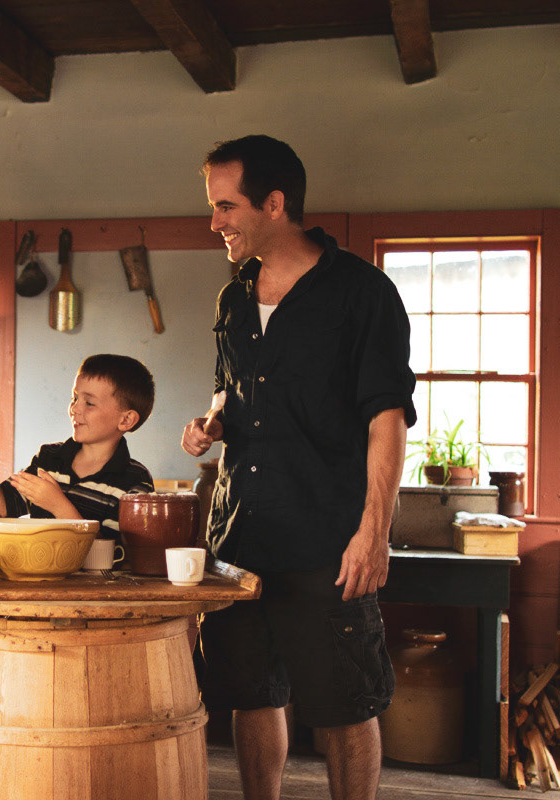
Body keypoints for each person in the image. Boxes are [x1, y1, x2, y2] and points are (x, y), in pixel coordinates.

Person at [182, 135, 416, 800]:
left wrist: (374, 533)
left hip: (327, 539)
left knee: (346, 704)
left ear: (275, 203)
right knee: (251, 694)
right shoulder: (233, 299)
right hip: (239, 536)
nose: (214, 222)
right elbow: (230, 390)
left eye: (226, 206)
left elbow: (387, 417)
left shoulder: (362, 294)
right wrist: (212, 422)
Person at [0, 353, 155, 537]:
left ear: (126, 420)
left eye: (89, 403)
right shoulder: (49, 458)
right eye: (74, 398)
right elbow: (1, 509)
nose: (74, 408)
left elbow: (111, 549)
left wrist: (58, 505)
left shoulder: (136, 481)